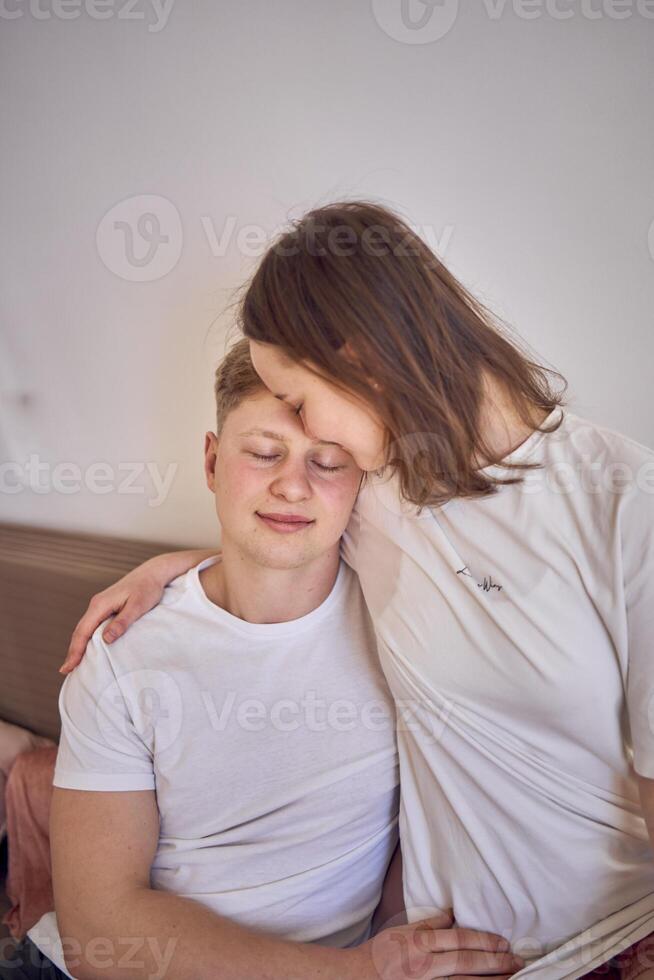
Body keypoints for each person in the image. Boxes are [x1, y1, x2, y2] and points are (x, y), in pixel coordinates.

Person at [62, 199, 654, 980]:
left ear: (358, 355)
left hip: (617, 945)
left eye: (304, 403)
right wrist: (175, 569)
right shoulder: (382, 487)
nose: (316, 449)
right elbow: (279, 521)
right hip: (455, 958)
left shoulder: (622, 499)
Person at [5, 339, 521, 980]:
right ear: (212, 461)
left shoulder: (406, 623)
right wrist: (359, 972)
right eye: (263, 453)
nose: (292, 484)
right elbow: (98, 930)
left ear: (362, 483)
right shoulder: (119, 652)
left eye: (328, 463)